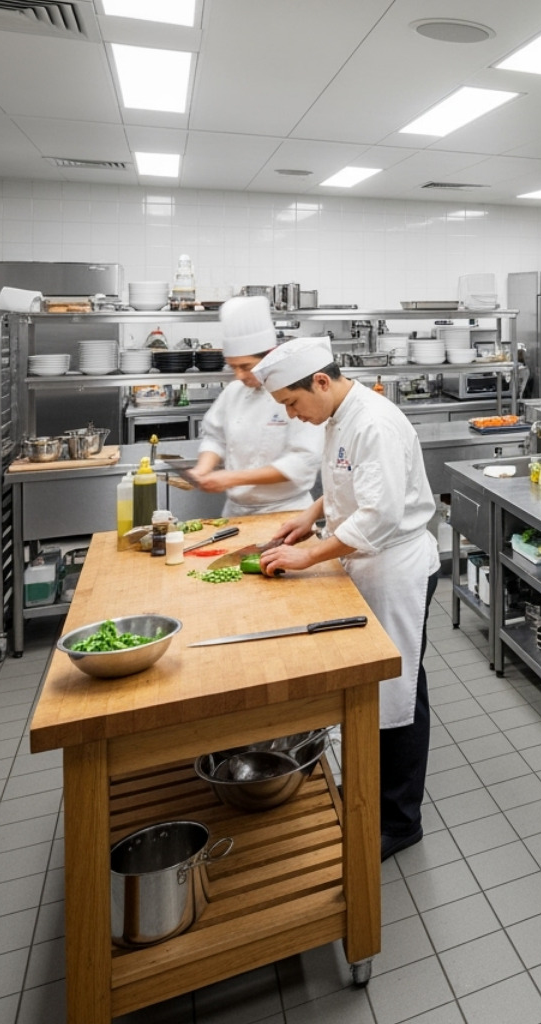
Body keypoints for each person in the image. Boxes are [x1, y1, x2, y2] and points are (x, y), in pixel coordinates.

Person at [251, 337, 441, 862]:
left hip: (395, 568)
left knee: (399, 693)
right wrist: (311, 514)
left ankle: (401, 821)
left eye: (292, 403)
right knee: (372, 687)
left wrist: (308, 555)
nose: (293, 415)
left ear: (320, 381)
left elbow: (379, 514)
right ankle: (369, 788)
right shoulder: (339, 414)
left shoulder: (373, 421)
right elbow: (349, 482)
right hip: (366, 563)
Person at [189, 297, 323, 516]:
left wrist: (232, 478)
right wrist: (202, 470)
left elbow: (302, 462)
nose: (238, 375)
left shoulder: (297, 394)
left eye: (245, 367)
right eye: (233, 367)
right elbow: (215, 437)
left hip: (287, 511)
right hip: (235, 512)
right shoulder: (233, 392)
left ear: (270, 356)